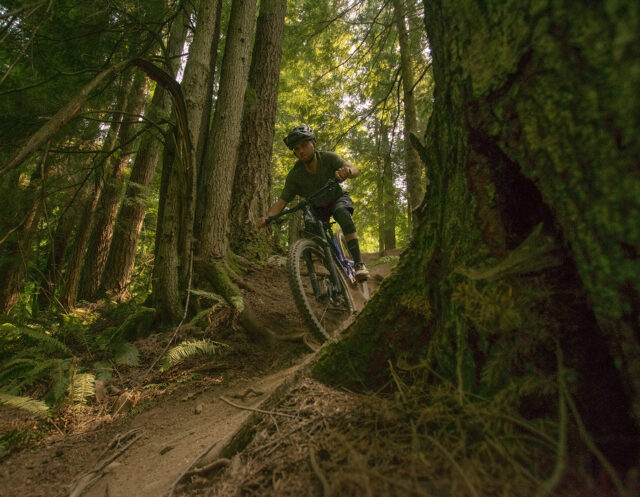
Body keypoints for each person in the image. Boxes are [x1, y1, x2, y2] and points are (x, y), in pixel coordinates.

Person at [257, 125, 369, 281]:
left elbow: (353, 168)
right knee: (310, 228)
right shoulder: (295, 176)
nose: (300, 151)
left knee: (342, 213)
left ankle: (359, 263)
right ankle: (323, 268)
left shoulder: (329, 158)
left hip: (337, 199)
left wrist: (348, 171)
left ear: (313, 144)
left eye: (304, 145)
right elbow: (281, 202)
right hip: (317, 207)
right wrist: (268, 217)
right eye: (296, 149)